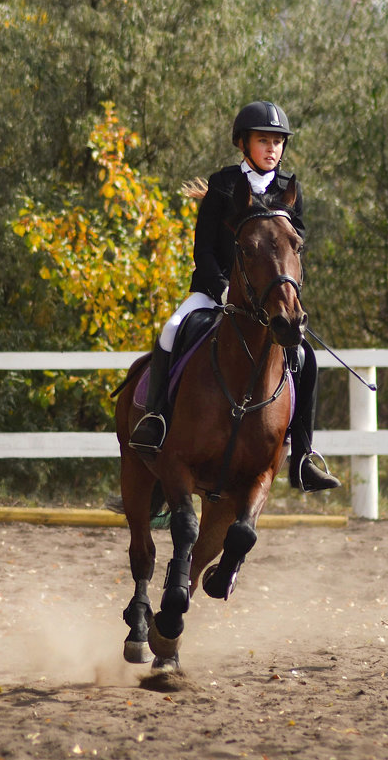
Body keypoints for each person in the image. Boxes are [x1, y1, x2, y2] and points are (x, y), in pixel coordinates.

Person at [129, 101, 340, 492]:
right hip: (216, 292)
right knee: (170, 331)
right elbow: (204, 251)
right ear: (243, 144)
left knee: (306, 357)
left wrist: (285, 294)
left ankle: (303, 456)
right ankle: (156, 420)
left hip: (270, 302)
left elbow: (294, 249)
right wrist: (224, 288)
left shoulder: (288, 189)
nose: (272, 149)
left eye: (278, 142)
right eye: (264, 141)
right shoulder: (224, 184)